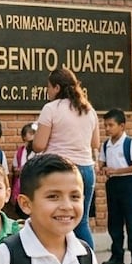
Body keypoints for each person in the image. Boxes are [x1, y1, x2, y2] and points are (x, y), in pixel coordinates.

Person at [32, 67, 100, 248]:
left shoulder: (51, 108)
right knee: (82, 221)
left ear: (56, 87)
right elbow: (95, 143)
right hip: (86, 168)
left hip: (59, 168)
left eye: (48, 87)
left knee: (56, 218)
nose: (47, 91)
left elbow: (38, 145)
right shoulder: (88, 109)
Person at [98, 109, 132, 264]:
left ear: (122, 126)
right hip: (113, 185)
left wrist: (116, 171)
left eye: (111, 125)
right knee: (114, 222)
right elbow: (101, 163)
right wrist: (102, 169)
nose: (107, 129)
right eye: (106, 125)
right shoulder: (106, 145)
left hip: (128, 184)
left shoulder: (129, 143)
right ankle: (117, 256)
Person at [10, 123, 36, 220]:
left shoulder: (41, 151)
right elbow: (15, 168)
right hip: (21, 186)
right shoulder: (20, 151)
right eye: (30, 133)